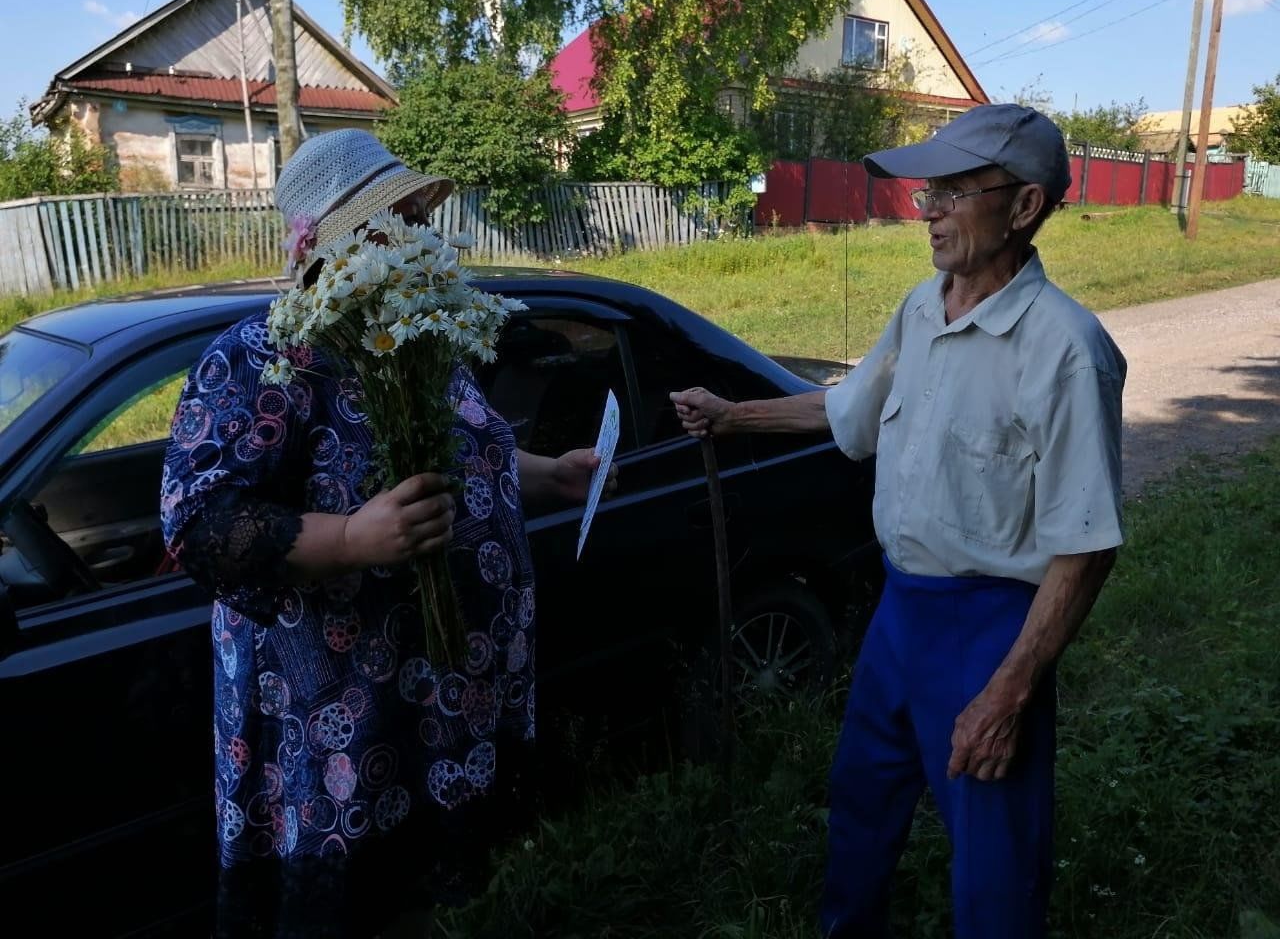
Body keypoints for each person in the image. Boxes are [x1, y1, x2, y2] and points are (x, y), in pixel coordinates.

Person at [670, 104, 1126, 938]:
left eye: (955, 191)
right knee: (860, 812)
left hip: (988, 631)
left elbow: (1086, 546)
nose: (929, 211)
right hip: (898, 616)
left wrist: (1009, 692)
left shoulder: (1065, 350)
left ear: (1023, 207)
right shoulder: (923, 308)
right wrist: (733, 416)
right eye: (930, 191)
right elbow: (850, 410)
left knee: (995, 871)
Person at [160, 129, 617, 939]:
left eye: (412, 208)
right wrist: (349, 539)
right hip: (345, 739)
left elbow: (464, 461)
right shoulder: (264, 358)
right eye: (398, 213)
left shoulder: (419, 338)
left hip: (453, 711)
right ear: (341, 240)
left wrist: (549, 474)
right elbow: (200, 525)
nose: (419, 224)